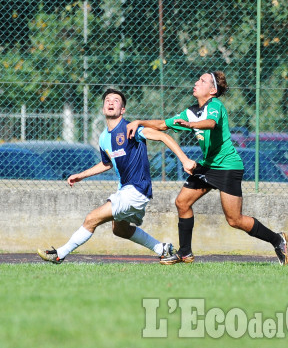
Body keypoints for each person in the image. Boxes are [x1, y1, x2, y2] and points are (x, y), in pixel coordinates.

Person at [127, 71, 288, 266]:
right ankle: (185, 253)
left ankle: (277, 239)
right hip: (208, 166)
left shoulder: (215, 106)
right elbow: (163, 125)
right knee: (182, 202)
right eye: (197, 79)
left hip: (228, 167)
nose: (196, 82)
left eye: (202, 81)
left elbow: (211, 124)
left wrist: (190, 124)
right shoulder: (191, 112)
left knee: (234, 220)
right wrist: (139, 122)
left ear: (212, 90)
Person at [37, 88, 197, 264]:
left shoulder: (131, 128)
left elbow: (163, 137)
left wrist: (184, 159)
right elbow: (107, 163)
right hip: (126, 190)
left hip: (136, 190)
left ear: (123, 110)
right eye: (107, 100)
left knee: (92, 218)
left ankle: (59, 254)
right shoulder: (103, 137)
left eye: (116, 100)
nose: (110, 102)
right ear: (103, 108)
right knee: (120, 230)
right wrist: (81, 175)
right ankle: (162, 249)